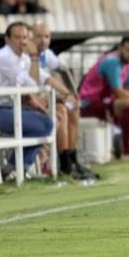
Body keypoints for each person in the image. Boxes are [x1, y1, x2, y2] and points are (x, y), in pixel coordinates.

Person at [0, 22, 54, 174]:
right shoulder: (5, 57)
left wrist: (67, 95)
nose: (22, 41)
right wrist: (35, 56)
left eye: (25, 37)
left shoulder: (21, 58)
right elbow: (31, 85)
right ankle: (16, 169)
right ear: (7, 39)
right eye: (17, 37)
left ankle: (14, 168)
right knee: (44, 123)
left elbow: (42, 79)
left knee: (44, 123)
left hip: (5, 107)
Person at [31, 21, 95, 180]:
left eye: (46, 36)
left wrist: (75, 93)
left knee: (73, 106)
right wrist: (67, 93)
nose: (43, 40)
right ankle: (65, 164)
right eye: (38, 36)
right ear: (31, 37)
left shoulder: (47, 55)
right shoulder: (27, 56)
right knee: (62, 110)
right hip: (29, 101)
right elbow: (47, 80)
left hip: (43, 98)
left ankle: (73, 160)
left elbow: (64, 70)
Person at [79, 36, 129, 160]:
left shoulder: (127, 64)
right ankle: (127, 151)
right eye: (128, 50)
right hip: (88, 103)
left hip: (105, 102)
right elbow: (118, 92)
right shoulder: (112, 61)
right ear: (120, 48)